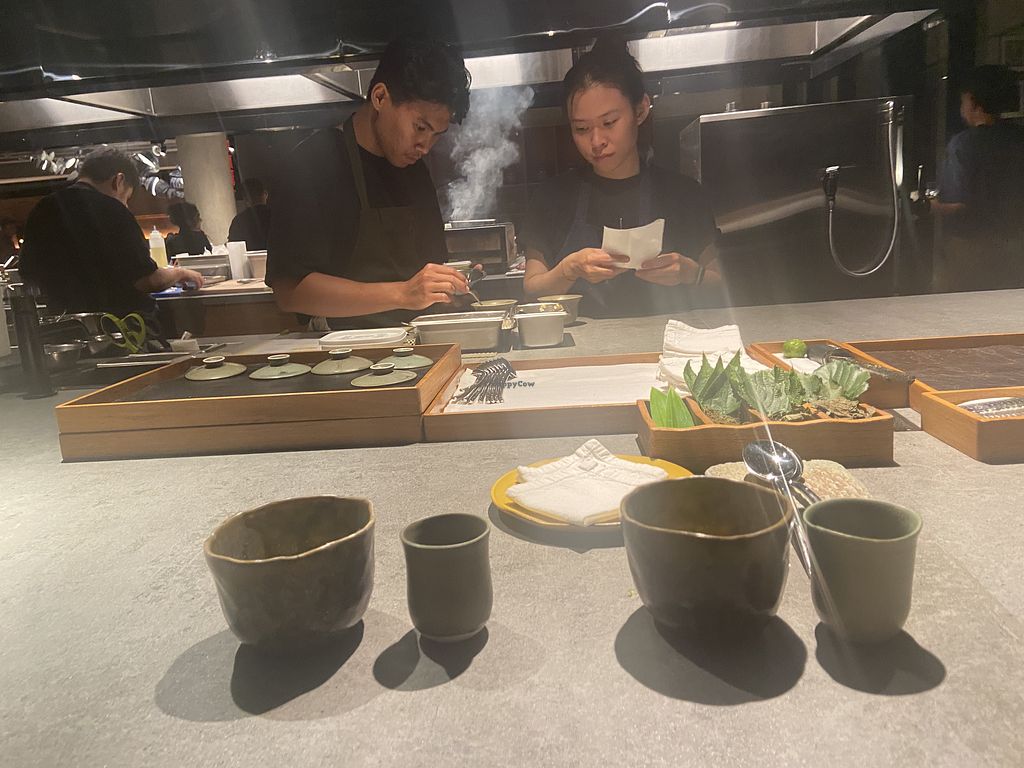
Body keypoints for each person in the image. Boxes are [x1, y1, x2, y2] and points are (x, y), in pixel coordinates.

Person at [267, 37, 473, 329]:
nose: (425, 146)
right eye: (420, 127)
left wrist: (448, 291)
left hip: (413, 341)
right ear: (380, 97)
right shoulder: (313, 164)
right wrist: (403, 294)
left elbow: (429, 266)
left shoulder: (415, 172)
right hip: (338, 349)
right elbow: (289, 292)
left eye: (436, 135)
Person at [522, 37, 720, 318]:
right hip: (579, 344)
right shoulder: (552, 197)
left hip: (671, 341)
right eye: (581, 129)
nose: (596, 141)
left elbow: (722, 284)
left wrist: (690, 273)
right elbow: (531, 292)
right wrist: (569, 269)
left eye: (609, 123)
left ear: (640, 110)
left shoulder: (684, 194)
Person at [19, 147, 203, 322]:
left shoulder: (44, 208)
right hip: (118, 327)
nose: (125, 205)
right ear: (119, 181)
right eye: (126, 198)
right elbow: (148, 281)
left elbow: (28, 274)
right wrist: (180, 273)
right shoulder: (113, 210)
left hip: (64, 327)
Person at [933, 65, 1024, 291]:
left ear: (975, 104)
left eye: (963, 101)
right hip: (1016, 247)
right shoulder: (1019, 137)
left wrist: (927, 205)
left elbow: (957, 205)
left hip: (972, 249)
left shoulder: (963, 144)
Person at [228, 178, 271, 250]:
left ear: (245, 198)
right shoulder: (277, 216)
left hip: (247, 257)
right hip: (276, 256)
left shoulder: (238, 221)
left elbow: (233, 247)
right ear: (265, 194)